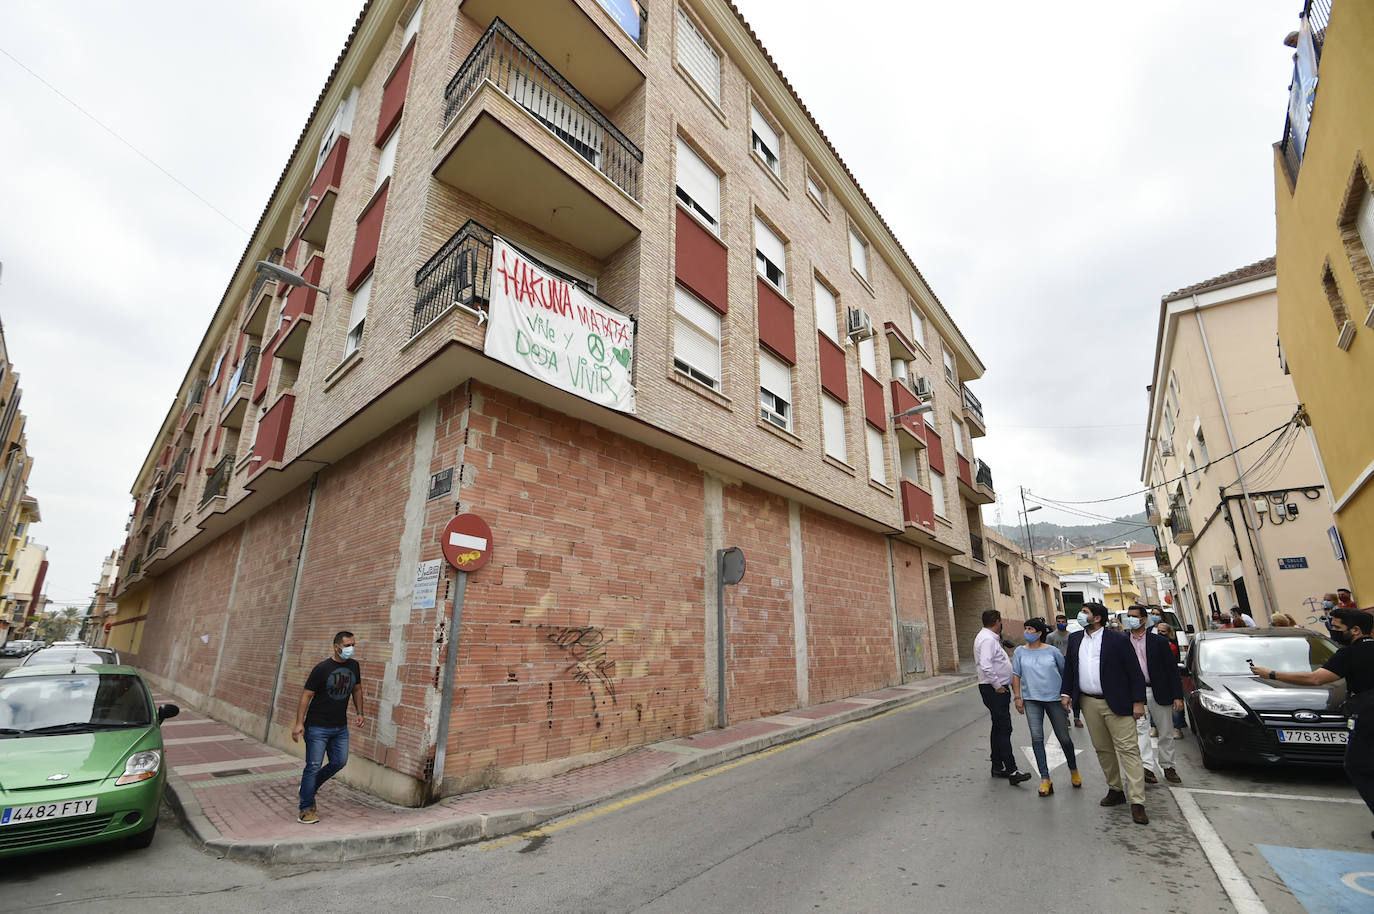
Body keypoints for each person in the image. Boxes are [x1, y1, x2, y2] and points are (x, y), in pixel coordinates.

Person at [1250, 608, 1374, 840]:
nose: (1333, 632)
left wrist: (1272, 674)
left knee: (1358, 766)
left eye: (1337, 628)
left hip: (1368, 718)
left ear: (1356, 630)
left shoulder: (1350, 654)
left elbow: (1315, 678)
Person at [1061, 601, 1150, 825]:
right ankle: (1115, 789)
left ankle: (1137, 801)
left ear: (1097, 618)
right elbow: (1070, 669)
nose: (1081, 616)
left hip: (1118, 703)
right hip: (1089, 702)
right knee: (1103, 749)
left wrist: (1138, 702)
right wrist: (1066, 693)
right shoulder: (1075, 639)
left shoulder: (1118, 639)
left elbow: (1134, 672)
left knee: (1128, 749)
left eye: (1085, 612)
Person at [293, 631, 365, 824]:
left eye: (353, 644)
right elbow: (306, 696)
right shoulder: (322, 669)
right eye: (348, 645)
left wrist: (360, 712)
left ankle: (309, 787)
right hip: (317, 726)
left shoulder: (354, 666)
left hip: (340, 727)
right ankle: (306, 809)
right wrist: (299, 723)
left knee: (339, 761)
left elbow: (357, 690)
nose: (351, 648)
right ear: (336, 646)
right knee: (313, 766)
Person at [1012, 617, 1081, 797]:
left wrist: (1067, 695)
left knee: (1064, 738)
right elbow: (1016, 675)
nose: (1026, 632)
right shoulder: (1020, 652)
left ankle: (1073, 769)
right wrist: (1017, 697)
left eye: (1030, 629)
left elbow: (1064, 673)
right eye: (1025, 628)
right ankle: (1045, 779)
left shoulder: (1053, 652)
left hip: (1054, 699)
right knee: (1036, 738)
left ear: (1040, 633)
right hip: (1031, 700)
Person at [1125, 605, 1185, 785]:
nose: (1130, 619)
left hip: (1158, 690)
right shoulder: (1122, 641)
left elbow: (1172, 670)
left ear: (1144, 619)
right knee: (1140, 731)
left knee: (1165, 731)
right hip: (1135, 693)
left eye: (1133, 616)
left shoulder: (1158, 641)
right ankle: (1147, 769)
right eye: (1128, 616)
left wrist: (1177, 696)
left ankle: (1168, 766)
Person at [975, 609, 1032, 786]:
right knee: (1004, 728)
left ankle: (997, 766)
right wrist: (997, 685)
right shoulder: (986, 640)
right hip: (994, 690)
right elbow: (985, 665)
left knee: (998, 727)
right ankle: (1012, 769)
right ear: (998, 622)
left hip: (994, 689)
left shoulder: (990, 638)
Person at [1046, 614, 1084, 728]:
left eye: (1063, 621)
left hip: (1072, 667)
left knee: (1075, 693)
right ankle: (1066, 717)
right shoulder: (1051, 637)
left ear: (1067, 623)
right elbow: (1048, 652)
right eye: (1059, 621)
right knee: (1063, 693)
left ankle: (1077, 718)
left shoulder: (1071, 636)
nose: (1061, 623)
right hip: (1057, 669)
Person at [1154, 621, 1187, 737]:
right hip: (1157, 679)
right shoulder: (1154, 644)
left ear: (1169, 633)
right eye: (1158, 631)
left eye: (1163, 631)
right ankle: (1154, 726)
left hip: (1170, 678)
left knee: (1175, 704)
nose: (1160, 633)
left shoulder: (1171, 645)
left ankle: (1177, 728)